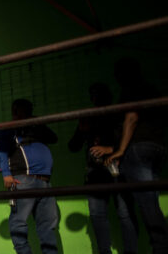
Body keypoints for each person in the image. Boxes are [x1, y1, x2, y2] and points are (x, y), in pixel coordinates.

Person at [105, 58, 168, 252]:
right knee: (149, 200)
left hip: (138, 148)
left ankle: (161, 247)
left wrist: (122, 149)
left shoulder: (131, 89)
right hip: (156, 147)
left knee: (147, 204)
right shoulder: (151, 90)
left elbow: (131, 117)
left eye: (118, 73)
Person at [70, 83, 137, 254]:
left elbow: (131, 138)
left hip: (117, 167)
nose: (95, 97)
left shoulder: (118, 113)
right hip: (95, 171)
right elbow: (73, 146)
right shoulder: (90, 117)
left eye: (99, 94)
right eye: (92, 95)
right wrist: (80, 129)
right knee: (97, 215)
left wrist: (110, 149)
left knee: (125, 212)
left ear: (108, 95)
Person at [0, 99, 59, 254]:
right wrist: (6, 174)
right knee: (18, 224)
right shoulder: (9, 128)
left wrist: (37, 122)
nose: (27, 113)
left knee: (48, 226)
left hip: (44, 181)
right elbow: (1, 150)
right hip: (23, 179)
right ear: (15, 111)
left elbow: (54, 138)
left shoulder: (36, 127)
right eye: (24, 110)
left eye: (29, 110)